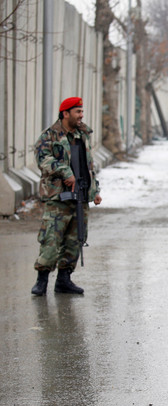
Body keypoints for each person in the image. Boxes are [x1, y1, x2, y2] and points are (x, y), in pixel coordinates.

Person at [31, 97, 102, 296]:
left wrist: (94, 191)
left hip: (79, 195)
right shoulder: (50, 136)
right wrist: (65, 171)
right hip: (58, 197)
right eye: (78, 112)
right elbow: (42, 159)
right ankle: (41, 281)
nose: (82, 115)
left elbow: (89, 166)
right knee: (51, 239)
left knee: (75, 240)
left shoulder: (82, 136)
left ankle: (64, 280)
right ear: (66, 113)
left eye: (82, 111)